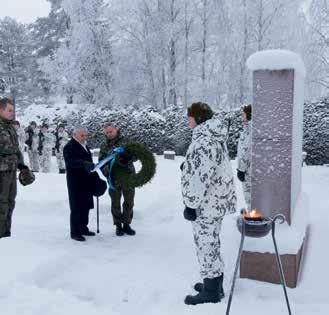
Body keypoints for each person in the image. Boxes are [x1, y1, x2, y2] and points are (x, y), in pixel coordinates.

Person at [181, 102, 237, 305]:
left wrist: (190, 204)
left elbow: (198, 178)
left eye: (190, 116)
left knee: (206, 245)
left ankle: (212, 291)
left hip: (205, 205)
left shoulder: (203, 141)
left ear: (199, 119)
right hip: (216, 202)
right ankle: (214, 284)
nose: (187, 119)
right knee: (212, 242)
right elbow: (211, 167)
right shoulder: (213, 137)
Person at [0, 97, 32, 238]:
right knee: (1, 204)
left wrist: (22, 165)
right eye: (9, 110)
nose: (12, 113)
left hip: (11, 171)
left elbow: (16, 149)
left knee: (10, 202)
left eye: (13, 110)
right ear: (1, 110)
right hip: (1, 172)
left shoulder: (10, 127)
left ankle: (6, 233)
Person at [98, 122, 136, 236]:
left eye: (111, 131)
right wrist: (108, 174)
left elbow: (136, 154)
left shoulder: (127, 141)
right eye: (107, 132)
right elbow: (101, 162)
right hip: (113, 178)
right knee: (115, 202)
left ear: (116, 129)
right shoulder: (104, 145)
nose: (109, 134)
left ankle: (127, 224)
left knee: (129, 201)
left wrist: (128, 158)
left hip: (128, 176)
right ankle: (118, 225)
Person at [63, 127, 96, 242]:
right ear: (75, 134)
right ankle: (75, 232)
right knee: (76, 207)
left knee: (86, 205)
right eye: (82, 135)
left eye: (86, 135)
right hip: (75, 181)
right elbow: (70, 162)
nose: (85, 137)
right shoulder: (69, 146)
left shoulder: (85, 146)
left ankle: (83, 228)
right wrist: (84, 164)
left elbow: (89, 161)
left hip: (86, 179)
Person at [237, 104, 252, 210]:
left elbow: (246, 150)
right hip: (247, 169)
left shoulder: (250, 130)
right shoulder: (247, 128)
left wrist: (241, 170)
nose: (241, 117)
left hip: (248, 170)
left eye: (243, 114)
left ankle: (254, 217)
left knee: (250, 195)